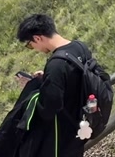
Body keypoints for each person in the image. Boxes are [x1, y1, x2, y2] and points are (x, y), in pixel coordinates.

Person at [15, 14, 97, 157]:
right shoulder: (80, 47)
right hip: (82, 123)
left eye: (30, 45)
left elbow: (48, 108)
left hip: (66, 136)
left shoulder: (56, 65)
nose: (33, 48)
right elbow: (73, 78)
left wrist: (32, 87)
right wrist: (47, 79)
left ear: (37, 38)